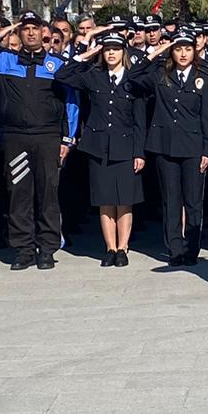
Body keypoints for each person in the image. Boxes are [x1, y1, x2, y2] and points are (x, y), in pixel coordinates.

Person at [0, 10, 79, 271]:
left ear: (44, 32)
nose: (30, 32)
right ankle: (24, 249)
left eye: (35, 28)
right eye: (25, 28)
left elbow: (71, 102)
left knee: (48, 195)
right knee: (19, 193)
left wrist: (68, 139)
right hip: (15, 139)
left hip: (48, 138)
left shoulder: (57, 64)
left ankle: (47, 249)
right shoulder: (5, 60)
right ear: (19, 32)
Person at [56, 27, 146, 267]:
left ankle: (123, 248)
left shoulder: (132, 79)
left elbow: (139, 120)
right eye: (107, 50)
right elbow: (62, 75)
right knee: (105, 200)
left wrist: (139, 152)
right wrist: (85, 53)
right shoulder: (93, 76)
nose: (111, 54)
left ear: (123, 52)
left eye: (116, 49)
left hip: (126, 146)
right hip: (98, 146)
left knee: (124, 200)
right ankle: (110, 247)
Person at [127, 28, 208, 266]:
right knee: (171, 201)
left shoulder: (203, 78)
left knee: (194, 202)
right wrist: (156, 52)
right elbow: (133, 77)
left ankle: (192, 249)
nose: (183, 54)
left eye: (187, 49)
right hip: (165, 146)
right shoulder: (160, 75)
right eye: (178, 49)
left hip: (193, 147)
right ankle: (174, 249)